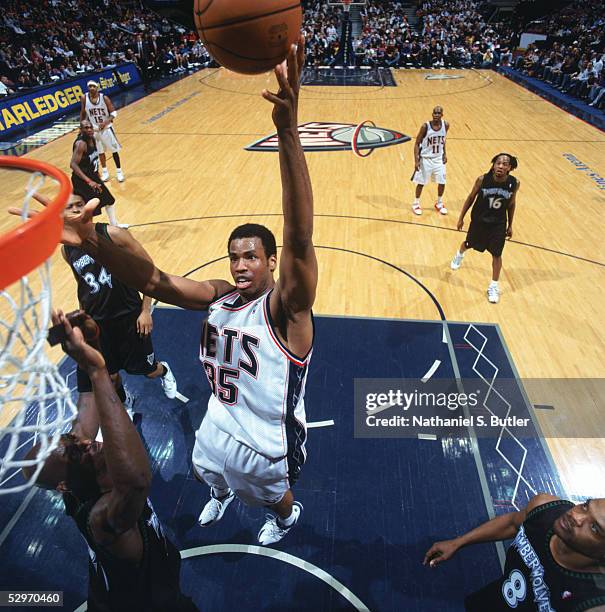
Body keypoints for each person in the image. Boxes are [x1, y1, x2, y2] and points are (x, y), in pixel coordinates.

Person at [52, 38, 316, 546]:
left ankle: (286, 517)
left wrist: (287, 132)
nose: (240, 265)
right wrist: (94, 241)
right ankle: (218, 492)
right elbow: (153, 281)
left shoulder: (287, 312)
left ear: (271, 261)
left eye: (252, 256)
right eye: (234, 255)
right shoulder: (219, 295)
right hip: (220, 418)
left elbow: (301, 235)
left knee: (271, 494)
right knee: (205, 470)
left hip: (268, 440)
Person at [22, 311, 198, 611]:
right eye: (75, 451)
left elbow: (88, 399)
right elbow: (137, 480)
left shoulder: (79, 475)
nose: (86, 443)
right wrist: (99, 371)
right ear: (64, 486)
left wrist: (90, 343)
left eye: (73, 439)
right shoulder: (103, 518)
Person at [423, 493, 605, 611]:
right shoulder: (546, 508)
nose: (576, 517)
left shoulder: (591, 603)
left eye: (595, 528)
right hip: (493, 599)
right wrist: (458, 542)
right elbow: (511, 523)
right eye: (585, 506)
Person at [450, 153, 520, 304]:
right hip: (480, 221)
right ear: (493, 165)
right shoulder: (483, 180)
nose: (501, 166)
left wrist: (510, 225)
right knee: (468, 244)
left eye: (504, 164)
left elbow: (512, 203)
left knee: (497, 254)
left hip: (498, 223)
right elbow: (470, 198)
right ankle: (459, 253)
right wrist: (461, 217)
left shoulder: (514, 183)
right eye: (498, 163)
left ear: (510, 168)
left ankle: (493, 286)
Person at [71, 119, 121, 227]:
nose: (89, 130)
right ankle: (87, 234)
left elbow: (93, 159)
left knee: (109, 200)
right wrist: (89, 181)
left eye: (90, 127)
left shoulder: (92, 139)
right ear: (81, 130)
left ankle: (114, 225)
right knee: (88, 209)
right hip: (82, 181)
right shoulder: (81, 144)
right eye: (86, 128)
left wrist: (96, 173)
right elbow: (73, 165)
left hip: (92, 176)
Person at [80, 80, 125, 183]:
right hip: (94, 130)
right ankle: (105, 172)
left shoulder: (104, 98)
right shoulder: (84, 98)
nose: (91, 88)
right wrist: (81, 126)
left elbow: (113, 112)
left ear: (97, 88)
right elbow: (83, 112)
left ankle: (119, 172)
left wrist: (105, 122)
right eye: (89, 86)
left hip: (106, 128)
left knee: (114, 151)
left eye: (93, 86)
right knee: (100, 152)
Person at [411, 105, 449, 216]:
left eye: (439, 113)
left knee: (442, 182)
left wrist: (445, 153)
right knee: (421, 183)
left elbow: (443, 140)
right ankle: (416, 204)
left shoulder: (445, 125)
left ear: (442, 115)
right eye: (435, 113)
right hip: (426, 159)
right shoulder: (425, 127)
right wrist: (416, 161)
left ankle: (439, 203)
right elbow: (417, 143)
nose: (436, 115)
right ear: (432, 114)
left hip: (438, 159)